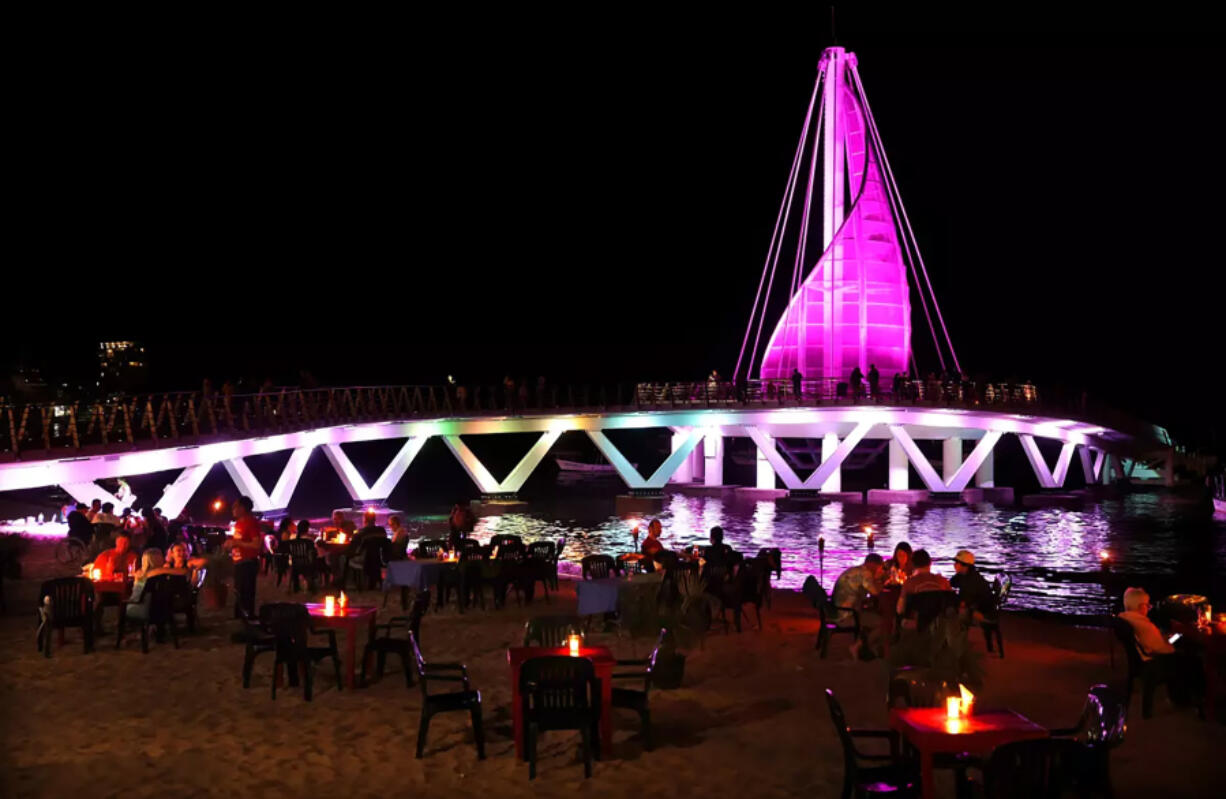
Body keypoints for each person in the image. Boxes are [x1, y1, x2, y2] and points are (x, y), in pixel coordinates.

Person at [1118, 587, 1204, 707]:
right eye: (1147, 606)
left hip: (1141, 659)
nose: (1148, 608)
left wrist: (1163, 637)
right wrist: (1171, 640)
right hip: (1152, 662)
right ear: (1140, 606)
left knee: (1181, 650)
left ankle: (1178, 696)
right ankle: (1187, 699)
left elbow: (1152, 641)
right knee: (1191, 660)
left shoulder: (1126, 618)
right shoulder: (1145, 626)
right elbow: (1163, 649)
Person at [832, 553, 885, 658]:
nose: (880, 570)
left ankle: (866, 645)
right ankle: (857, 646)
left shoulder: (856, 570)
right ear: (873, 565)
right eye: (879, 567)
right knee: (883, 623)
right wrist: (879, 579)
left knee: (872, 615)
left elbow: (863, 595)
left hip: (837, 610)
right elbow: (875, 592)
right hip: (846, 616)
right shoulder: (866, 573)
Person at [224, 496, 262, 619]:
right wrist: (230, 544)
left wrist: (236, 543)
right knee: (239, 592)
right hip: (239, 562)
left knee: (246, 593)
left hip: (247, 562)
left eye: (235, 506)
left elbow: (256, 544)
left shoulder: (251, 522)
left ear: (243, 508)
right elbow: (240, 541)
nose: (232, 509)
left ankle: (247, 618)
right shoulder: (239, 523)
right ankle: (241, 617)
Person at [897, 549, 951, 616]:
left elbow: (900, 610)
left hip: (918, 623)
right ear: (930, 563)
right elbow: (951, 605)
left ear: (913, 565)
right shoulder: (943, 581)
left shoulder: (909, 583)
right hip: (939, 622)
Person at [949, 549, 994, 620]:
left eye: (957, 562)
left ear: (965, 565)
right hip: (973, 604)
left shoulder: (971, 580)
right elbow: (951, 584)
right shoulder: (963, 574)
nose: (954, 565)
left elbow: (963, 603)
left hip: (981, 610)